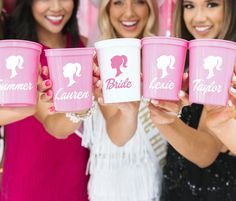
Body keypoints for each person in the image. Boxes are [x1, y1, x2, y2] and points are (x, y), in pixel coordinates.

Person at [1, 1, 90, 201]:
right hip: (29, 184)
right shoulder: (16, 52)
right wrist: (80, 109)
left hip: (78, 180)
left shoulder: (81, 48)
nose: (57, 7)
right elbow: (55, 125)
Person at [148, 0, 236, 200]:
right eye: (189, 6)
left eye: (211, 4)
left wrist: (163, 119)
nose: (198, 17)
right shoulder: (187, 65)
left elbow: (206, 153)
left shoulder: (230, 69)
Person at [82, 0, 166, 201]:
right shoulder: (97, 61)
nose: (129, 12)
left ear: (150, 8)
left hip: (155, 179)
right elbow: (117, 136)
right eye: (118, 2)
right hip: (113, 183)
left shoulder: (164, 56)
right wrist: (130, 111)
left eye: (139, 2)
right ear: (107, 9)